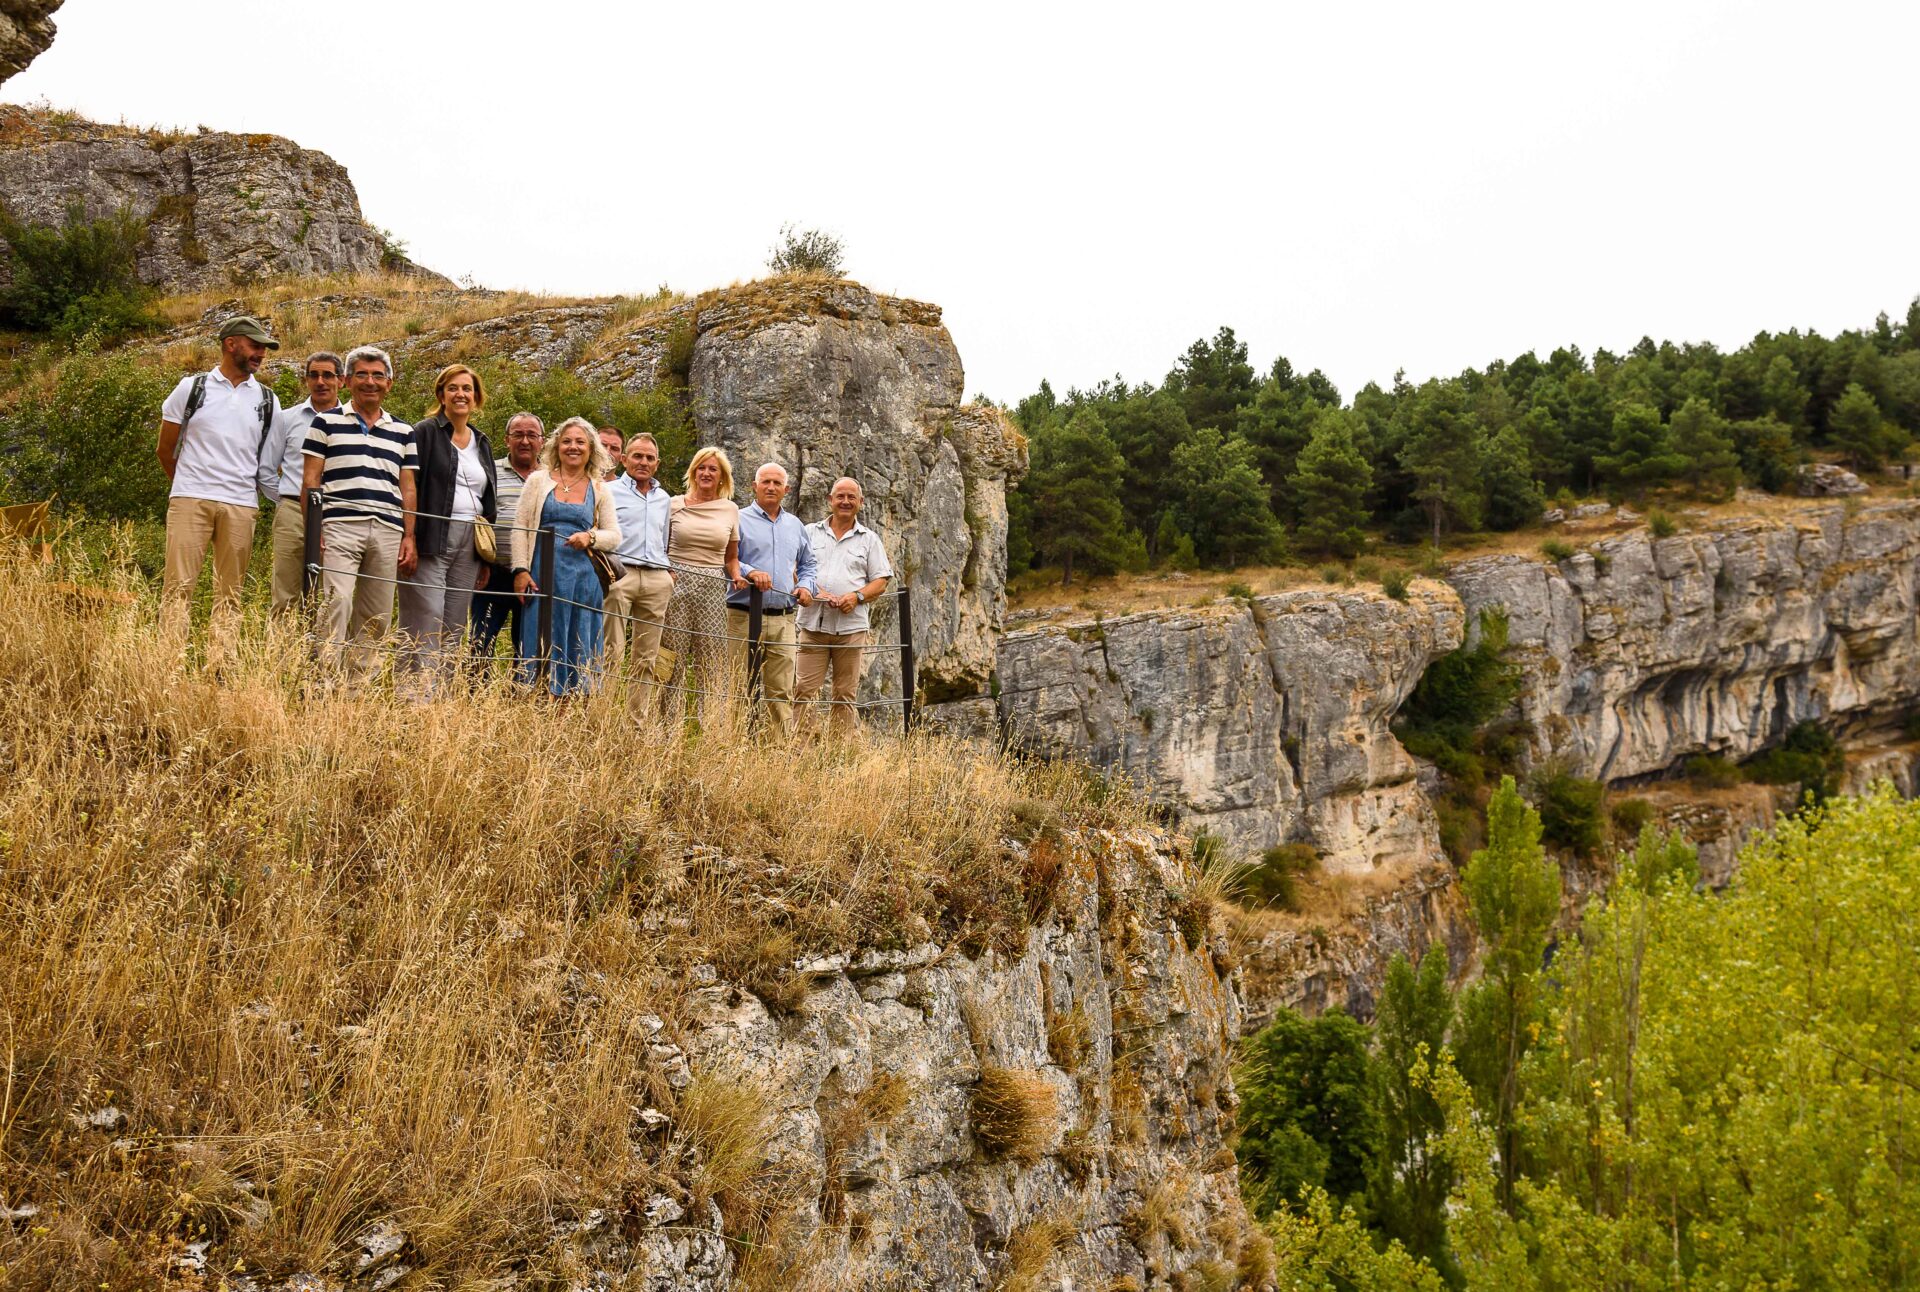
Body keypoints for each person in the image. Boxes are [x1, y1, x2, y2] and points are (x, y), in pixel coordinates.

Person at [155, 315, 282, 663]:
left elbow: (269, 462)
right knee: (178, 586)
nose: (261, 354)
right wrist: (186, 487)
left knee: (230, 592)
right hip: (190, 499)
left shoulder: (268, 400)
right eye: (255, 346)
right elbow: (165, 449)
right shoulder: (191, 387)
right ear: (231, 344)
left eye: (263, 348)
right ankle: (168, 664)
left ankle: (220, 665)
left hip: (241, 504)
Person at [302, 346, 418, 676]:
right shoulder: (325, 422)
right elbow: (310, 480)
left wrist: (409, 536)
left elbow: (408, 488)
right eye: (362, 375)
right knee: (336, 603)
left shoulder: (404, 431)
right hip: (339, 525)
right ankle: (325, 684)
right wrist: (314, 528)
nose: (370, 382)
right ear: (348, 381)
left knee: (376, 613)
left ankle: (359, 690)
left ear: (389, 383)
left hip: (388, 529)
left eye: (378, 375)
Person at [399, 364, 498, 685]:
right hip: (431, 536)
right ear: (441, 395)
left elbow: (488, 499)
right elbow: (409, 486)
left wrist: (485, 556)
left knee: (455, 624)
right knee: (425, 616)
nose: (460, 394)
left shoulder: (482, 441)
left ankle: (442, 699)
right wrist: (409, 536)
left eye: (467, 388)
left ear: (476, 396)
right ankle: (414, 697)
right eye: (453, 388)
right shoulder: (424, 432)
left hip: (471, 543)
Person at [510, 417, 620, 696]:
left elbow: (614, 535)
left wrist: (590, 537)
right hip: (541, 574)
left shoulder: (599, 488)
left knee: (578, 641)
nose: (573, 447)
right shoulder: (538, 480)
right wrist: (520, 570)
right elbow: (520, 526)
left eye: (580, 442)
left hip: (583, 581)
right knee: (540, 636)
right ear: (556, 446)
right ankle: (536, 703)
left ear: (590, 448)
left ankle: (572, 708)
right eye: (567, 441)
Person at [796, 477, 893, 738]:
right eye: (840, 496)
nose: (845, 501)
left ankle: (838, 752)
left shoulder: (869, 540)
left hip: (851, 629)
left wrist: (856, 597)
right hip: (813, 625)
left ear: (861, 502)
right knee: (804, 690)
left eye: (851, 497)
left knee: (844, 693)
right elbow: (793, 568)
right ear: (830, 500)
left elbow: (881, 581)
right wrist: (815, 591)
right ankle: (800, 750)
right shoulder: (809, 532)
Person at [729, 462, 817, 736]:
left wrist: (806, 587)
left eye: (777, 483)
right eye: (765, 482)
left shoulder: (795, 525)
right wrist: (750, 571)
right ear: (754, 486)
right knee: (738, 684)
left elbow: (808, 564)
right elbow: (727, 557)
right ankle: (735, 746)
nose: (771, 487)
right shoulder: (738, 519)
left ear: (786, 490)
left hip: (783, 619)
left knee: (781, 689)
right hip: (742, 615)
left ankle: (777, 750)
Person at [256, 350, 341, 614]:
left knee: (330, 594)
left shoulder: (352, 422)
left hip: (337, 513)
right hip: (292, 512)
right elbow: (266, 469)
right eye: (314, 375)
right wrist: (287, 499)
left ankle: (323, 642)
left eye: (328, 375)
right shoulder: (287, 418)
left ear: (341, 380)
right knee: (286, 593)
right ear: (306, 380)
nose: (320, 382)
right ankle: (283, 642)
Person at [664, 446, 743, 722]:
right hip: (676, 582)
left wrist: (737, 575)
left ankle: (712, 726)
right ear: (693, 472)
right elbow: (659, 547)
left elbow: (731, 557)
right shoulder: (673, 504)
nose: (706, 473)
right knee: (671, 656)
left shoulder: (730, 509)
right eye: (702, 467)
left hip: (712, 585)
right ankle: (666, 728)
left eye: (713, 469)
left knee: (712, 657)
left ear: (722, 477)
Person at [605, 431, 675, 713]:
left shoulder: (664, 499)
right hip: (620, 574)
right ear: (624, 459)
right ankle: (601, 721)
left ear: (657, 463)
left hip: (656, 578)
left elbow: (664, 539)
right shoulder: (608, 491)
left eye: (649, 457)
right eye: (637, 456)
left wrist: (667, 574)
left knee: (647, 657)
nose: (643, 462)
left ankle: (637, 724)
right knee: (610, 651)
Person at [469, 411, 542, 678]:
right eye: (518, 435)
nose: (525, 441)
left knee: (527, 646)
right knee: (480, 641)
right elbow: (477, 517)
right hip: (492, 572)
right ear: (506, 439)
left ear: (542, 441)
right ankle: (475, 695)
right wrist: (480, 562)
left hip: (534, 576)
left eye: (531, 435)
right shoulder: (490, 471)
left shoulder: (551, 477)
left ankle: (520, 697)